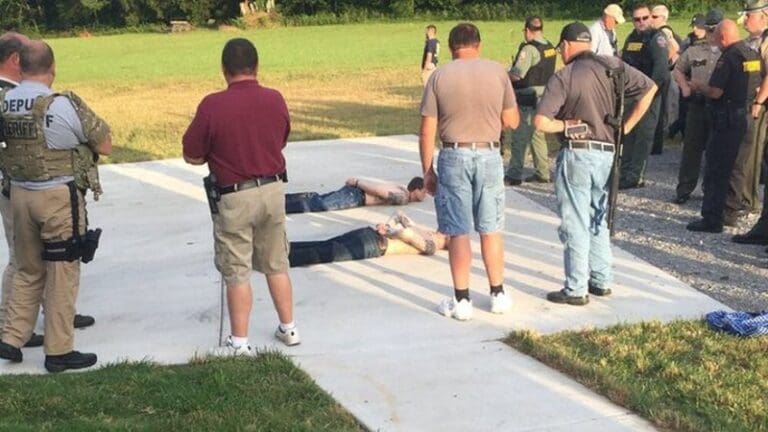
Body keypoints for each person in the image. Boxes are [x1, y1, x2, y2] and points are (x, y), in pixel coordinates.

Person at [183, 38, 300, 353]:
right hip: (273, 189)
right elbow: (281, 139)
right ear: (256, 66)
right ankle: (289, 327)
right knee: (277, 262)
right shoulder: (275, 99)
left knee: (236, 269)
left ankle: (239, 341)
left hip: (235, 195)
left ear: (224, 69)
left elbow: (192, 153)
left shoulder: (212, 105)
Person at [0, 40, 110, 372]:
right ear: (52, 68)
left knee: (27, 268)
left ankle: (11, 337)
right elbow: (103, 143)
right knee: (63, 270)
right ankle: (59, 350)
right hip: (57, 196)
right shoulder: (59, 104)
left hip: (19, 194)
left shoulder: (6, 101)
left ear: (21, 66)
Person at [534, 22, 657, 305]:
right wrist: (625, 128)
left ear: (566, 45)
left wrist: (567, 125)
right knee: (598, 217)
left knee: (575, 221)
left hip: (577, 153)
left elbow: (541, 122)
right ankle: (602, 280)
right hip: (607, 152)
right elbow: (650, 89)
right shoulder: (613, 66)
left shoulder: (565, 76)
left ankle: (576, 288)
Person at [419, 23, 519, 320]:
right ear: (479, 45)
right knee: (491, 227)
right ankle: (497, 293)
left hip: (454, 153)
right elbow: (511, 120)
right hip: (488, 154)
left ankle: (462, 300)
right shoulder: (498, 72)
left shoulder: (439, 76)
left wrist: (428, 170)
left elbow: (427, 130)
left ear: (451, 48)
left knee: (458, 230)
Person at [686, 20, 763, 233]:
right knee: (738, 168)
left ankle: (712, 218)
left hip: (727, 119)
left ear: (722, 37)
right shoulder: (751, 54)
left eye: (715, 36)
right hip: (747, 116)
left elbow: (716, 92)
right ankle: (730, 212)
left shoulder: (728, 57)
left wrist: (699, 87)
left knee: (717, 168)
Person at [672, 11, 722, 204]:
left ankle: (711, 190)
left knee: (715, 151)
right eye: (708, 30)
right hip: (697, 104)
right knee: (691, 149)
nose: (711, 34)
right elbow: (678, 68)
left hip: (719, 105)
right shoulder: (694, 50)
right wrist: (684, 86)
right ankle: (684, 189)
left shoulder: (729, 52)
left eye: (714, 30)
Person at [619, 4, 669, 189]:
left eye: (645, 18)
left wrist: (649, 94)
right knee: (628, 132)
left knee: (643, 136)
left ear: (651, 17)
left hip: (649, 95)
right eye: (637, 19)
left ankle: (635, 176)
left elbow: (661, 70)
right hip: (630, 93)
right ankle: (624, 172)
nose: (641, 22)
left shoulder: (657, 38)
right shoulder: (631, 38)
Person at [503, 16, 556, 186]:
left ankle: (514, 174)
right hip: (543, 98)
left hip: (526, 98)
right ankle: (543, 172)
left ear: (527, 30)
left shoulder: (530, 49)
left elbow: (517, 75)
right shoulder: (549, 47)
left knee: (520, 137)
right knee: (537, 135)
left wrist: (503, 74)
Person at [289, 212, 447, 266]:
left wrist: (389, 230)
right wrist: (387, 226)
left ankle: (282, 254)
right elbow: (400, 215)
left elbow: (407, 234)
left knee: (325, 249)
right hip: (373, 240)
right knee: (325, 249)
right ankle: (282, 251)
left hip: (375, 243)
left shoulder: (431, 245)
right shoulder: (427, 233)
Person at [733, 0, 768, 244]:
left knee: (752, 154)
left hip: (762, 104)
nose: (745, 20)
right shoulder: (758, 40)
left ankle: (748, 202)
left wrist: (757, 102)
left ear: (765, 16)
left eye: (749, 16)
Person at [285, 176, 426, 213]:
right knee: (319, 204)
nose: (425, 195)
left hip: (355, 193)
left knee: (318, 198)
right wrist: (357, 182)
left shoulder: (401, 187)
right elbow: (378, 191)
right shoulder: (403, 197)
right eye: (424, 191)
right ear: (416, 190)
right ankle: (282, 207)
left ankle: (284, 199)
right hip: (357, 196)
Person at [649, 4, 682, 155]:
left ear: (663, 18)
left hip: (666, 73)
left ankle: (662, 134)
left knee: (662, 105)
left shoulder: (664, 31)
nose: (651, 19)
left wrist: (664, 61)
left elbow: (675, 48)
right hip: (668, 72)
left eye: (654, 16)